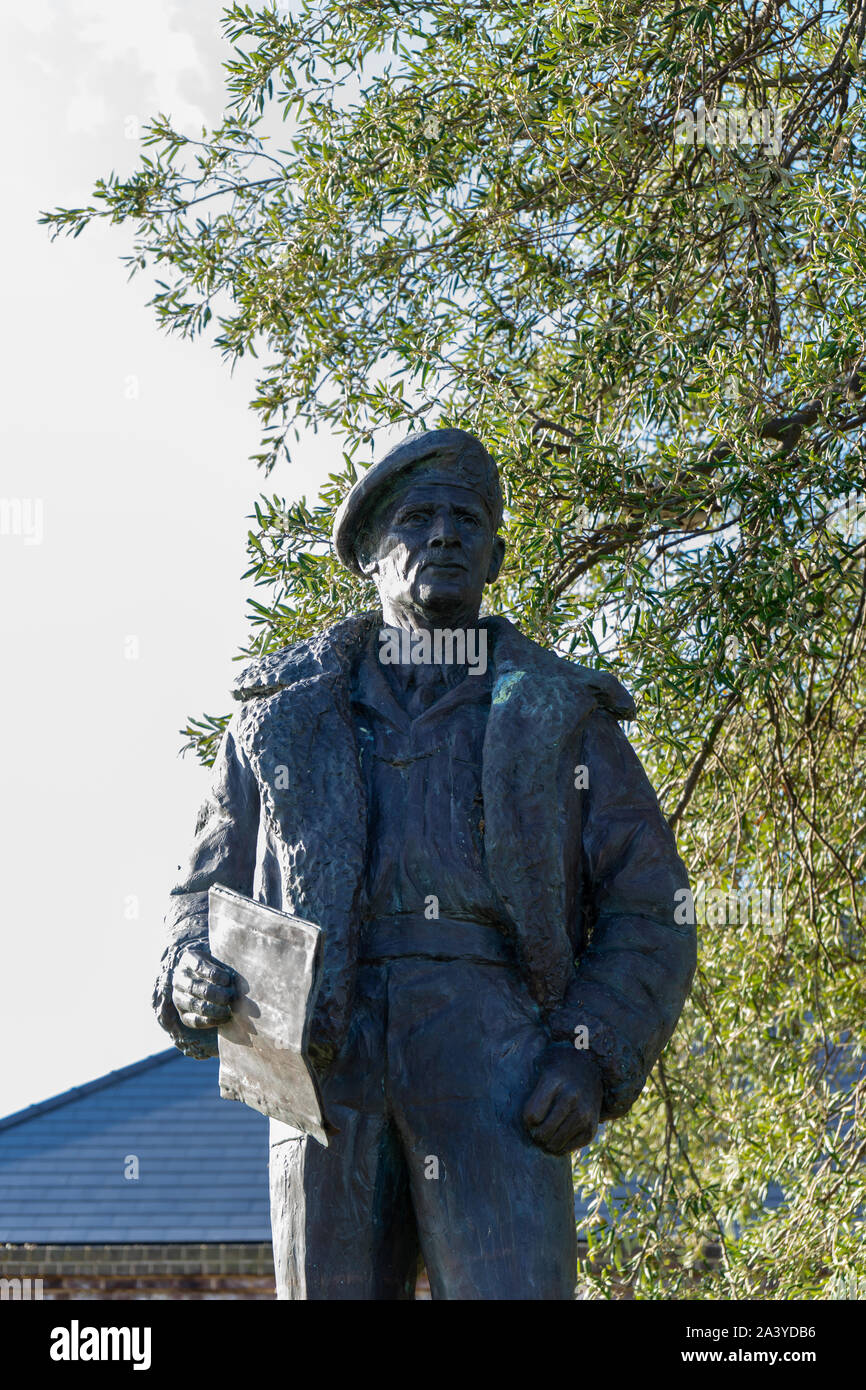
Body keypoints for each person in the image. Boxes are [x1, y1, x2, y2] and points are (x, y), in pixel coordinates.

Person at [153, 428, 696, 1299]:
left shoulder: (561, 716)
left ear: (495, 554)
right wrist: (187, 968)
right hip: (322, 1061)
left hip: (497, 1053)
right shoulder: (278, 721)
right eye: (416, 517)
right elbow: (201, 891)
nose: (444, 534)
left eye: (466, 519)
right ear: (370, 554)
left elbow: (650, 907)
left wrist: (590, 1052)